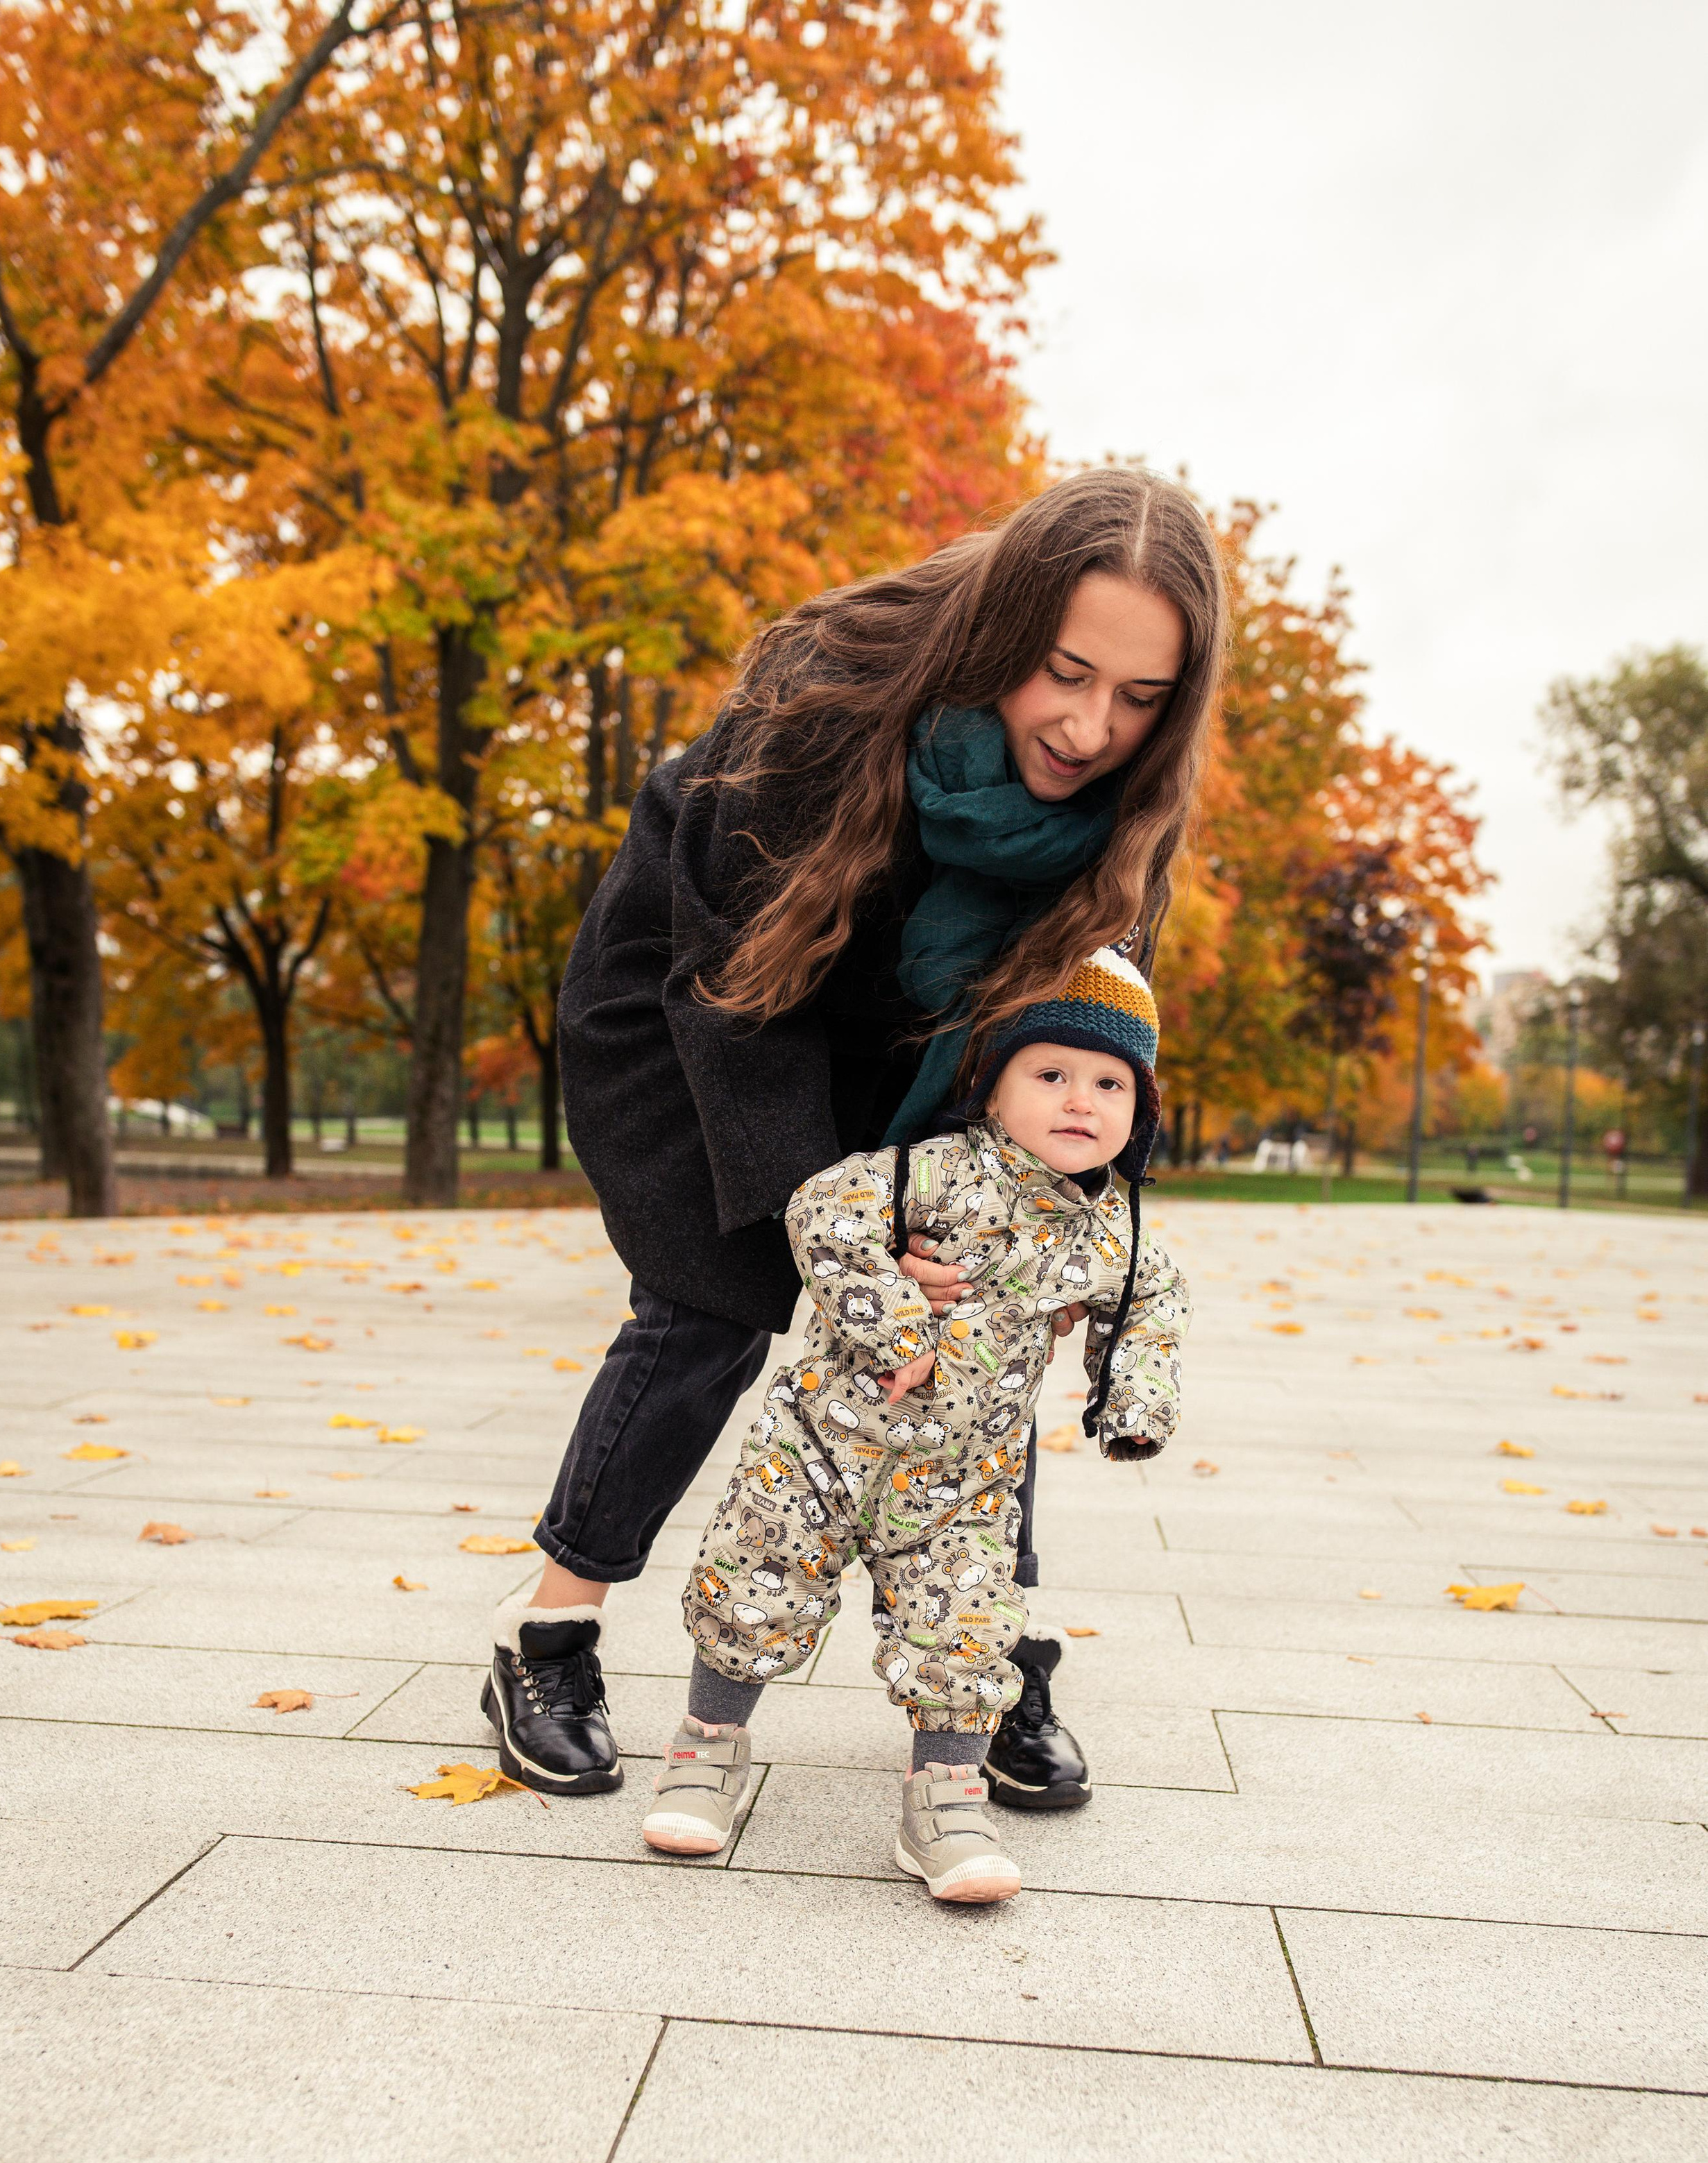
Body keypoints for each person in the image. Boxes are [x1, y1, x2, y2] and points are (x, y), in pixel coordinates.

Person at [480, 468, 1227, 1804]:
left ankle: (989, 1652)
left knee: (979, 1308)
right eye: (1065, 674)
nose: (1089, 726)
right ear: (1006, 633)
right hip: (709, 995)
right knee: (712, 1301)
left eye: (1139, 697)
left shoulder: (1130, 804)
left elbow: (1095, 1028)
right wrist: (842, 1227)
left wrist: (1057, 1232)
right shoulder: (831, 695)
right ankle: (546, 1632)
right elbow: (735, 978)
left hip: (933, 1035)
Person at [637, 948, 1188, 1901]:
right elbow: (823, 1213)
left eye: (1110, 1085)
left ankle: (946, 1799)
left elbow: (1152, 1305)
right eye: (1050, 1074)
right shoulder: (924, 1174)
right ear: (993, 1088)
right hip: (820, 1449)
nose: (1080, 1101)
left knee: (966, 1627)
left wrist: (1133, 1402)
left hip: (963, 1483)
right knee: (755, 1583)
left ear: (1139, 1111)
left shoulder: (1117, 1233)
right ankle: (708, 1746)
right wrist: (894, 1326)